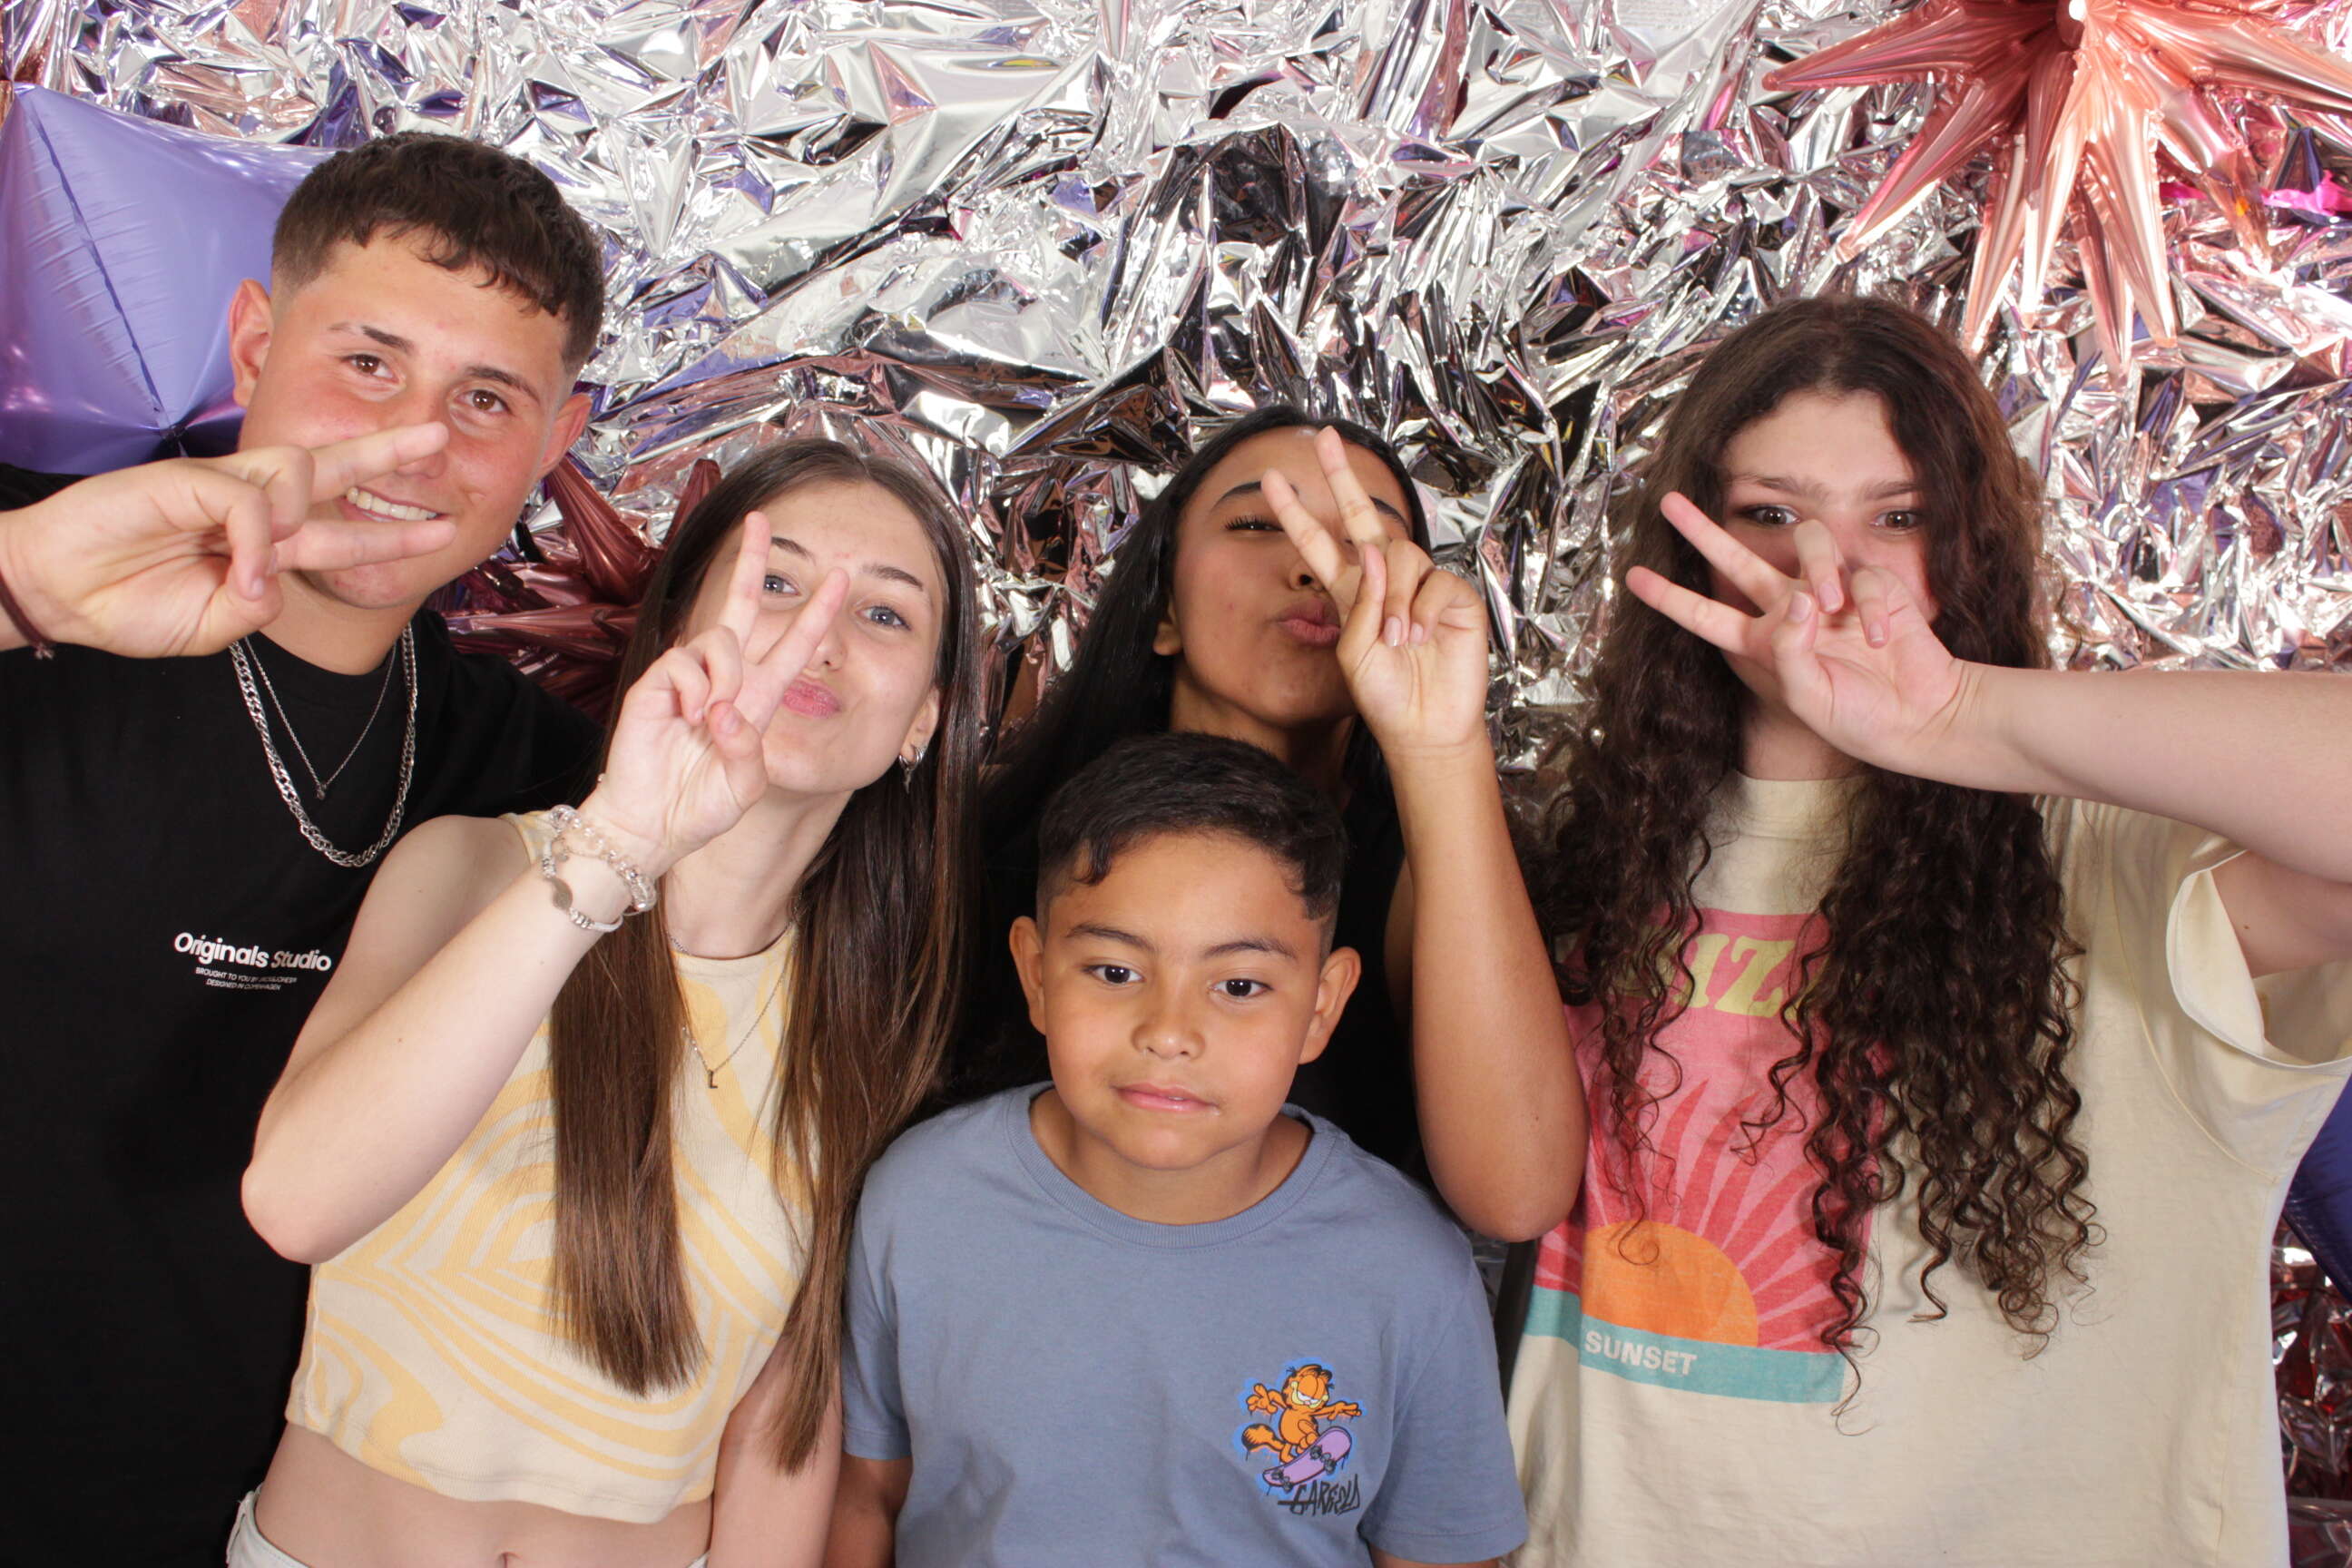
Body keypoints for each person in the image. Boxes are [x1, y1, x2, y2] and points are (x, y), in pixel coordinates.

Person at [1505, 295, 2352, 1565]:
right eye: (1771, 514)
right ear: (1694, 547)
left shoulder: (2111, 853)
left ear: (1971, 546)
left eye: (1898, 518)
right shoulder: (1593, 854)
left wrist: (1953, 718)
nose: (1830, 571)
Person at [0, 131, 609, 1563]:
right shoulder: (40, 576)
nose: (419, 442)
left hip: (254, 1529)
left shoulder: (537, 773)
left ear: (556, 440)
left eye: (486, 398)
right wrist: (21, 588)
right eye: (369, 362)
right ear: (256, 342)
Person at [236, 438, 983, 1567]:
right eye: (777, 580)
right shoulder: (474, 872)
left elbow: (784, 1419)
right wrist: (625, 842)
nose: (816, 634)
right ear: (680, 629)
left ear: (924, 715)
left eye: (884, 613)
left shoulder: (881, 1025)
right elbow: (298, 1203)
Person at [828, 731, 1528, 1567]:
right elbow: (867, 1495)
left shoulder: (1411, 1273)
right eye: (1115, 972)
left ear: (1321, 1006)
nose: (1168, 1033)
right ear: (1036, 974)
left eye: (1239, 986)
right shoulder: (920, 1203)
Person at [963, 408, 1579, 1241]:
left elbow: (1519, 1196)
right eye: (1257, 524)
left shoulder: (1422, 869)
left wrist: (1443, 747)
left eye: (1367, 544)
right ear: (1163, 607)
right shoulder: (995, 843)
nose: (1312, 566)